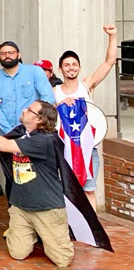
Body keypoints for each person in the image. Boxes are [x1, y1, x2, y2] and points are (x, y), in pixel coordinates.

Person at [0, 100, 73, 267]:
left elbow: (3, 144)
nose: (24, 110)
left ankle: (43, 234)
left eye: (29, 110)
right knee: (17, 253)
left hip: (46, 207)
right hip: (21, 206)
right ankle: (36, 234)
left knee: (62, 260)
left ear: (39, 120)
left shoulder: (45, 140)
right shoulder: (22, 133)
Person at [54, 24, 117, 208]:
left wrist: (112, 36)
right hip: (64, 149)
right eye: (67, 65)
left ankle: (91, 232)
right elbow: (45, 117)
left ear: (80, 68)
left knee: (89, 190)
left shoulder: (86, 85)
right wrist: (58, 105)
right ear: (60, 70)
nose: (71, 68)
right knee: (65, 190)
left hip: (88, 149)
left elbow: (109, 62)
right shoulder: (54, 92)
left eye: (74, 64)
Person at [0, 41, 54, 134]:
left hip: (34, 132)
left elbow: (48, 98)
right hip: (6, 134)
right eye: (3, 53)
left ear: (19, 55)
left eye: (11, 53)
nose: (7, 56)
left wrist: (34, 123)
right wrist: (10, 131)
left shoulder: (34, 71)